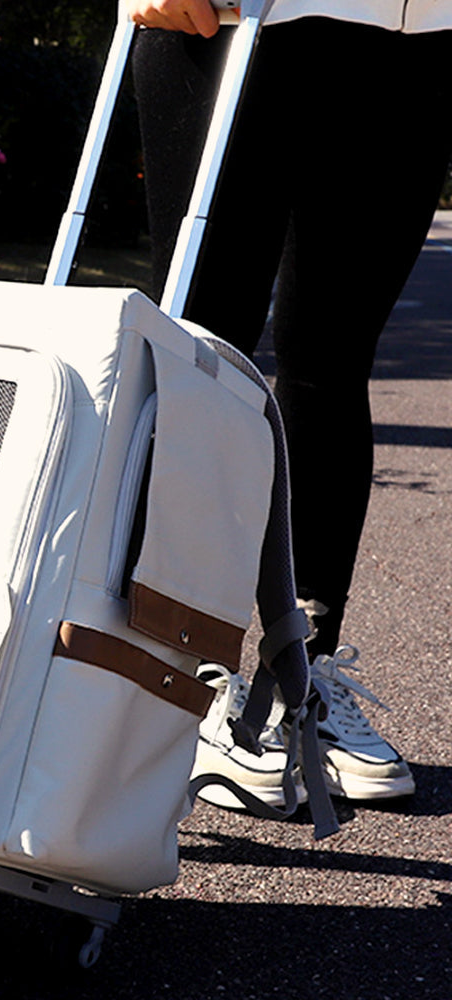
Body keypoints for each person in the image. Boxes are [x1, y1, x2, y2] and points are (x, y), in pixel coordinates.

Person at [125, 0, 452, 808]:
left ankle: (300, 680)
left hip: (417, 42)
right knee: (201, 353)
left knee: (331, 366)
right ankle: (179, 682)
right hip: (233, 23)